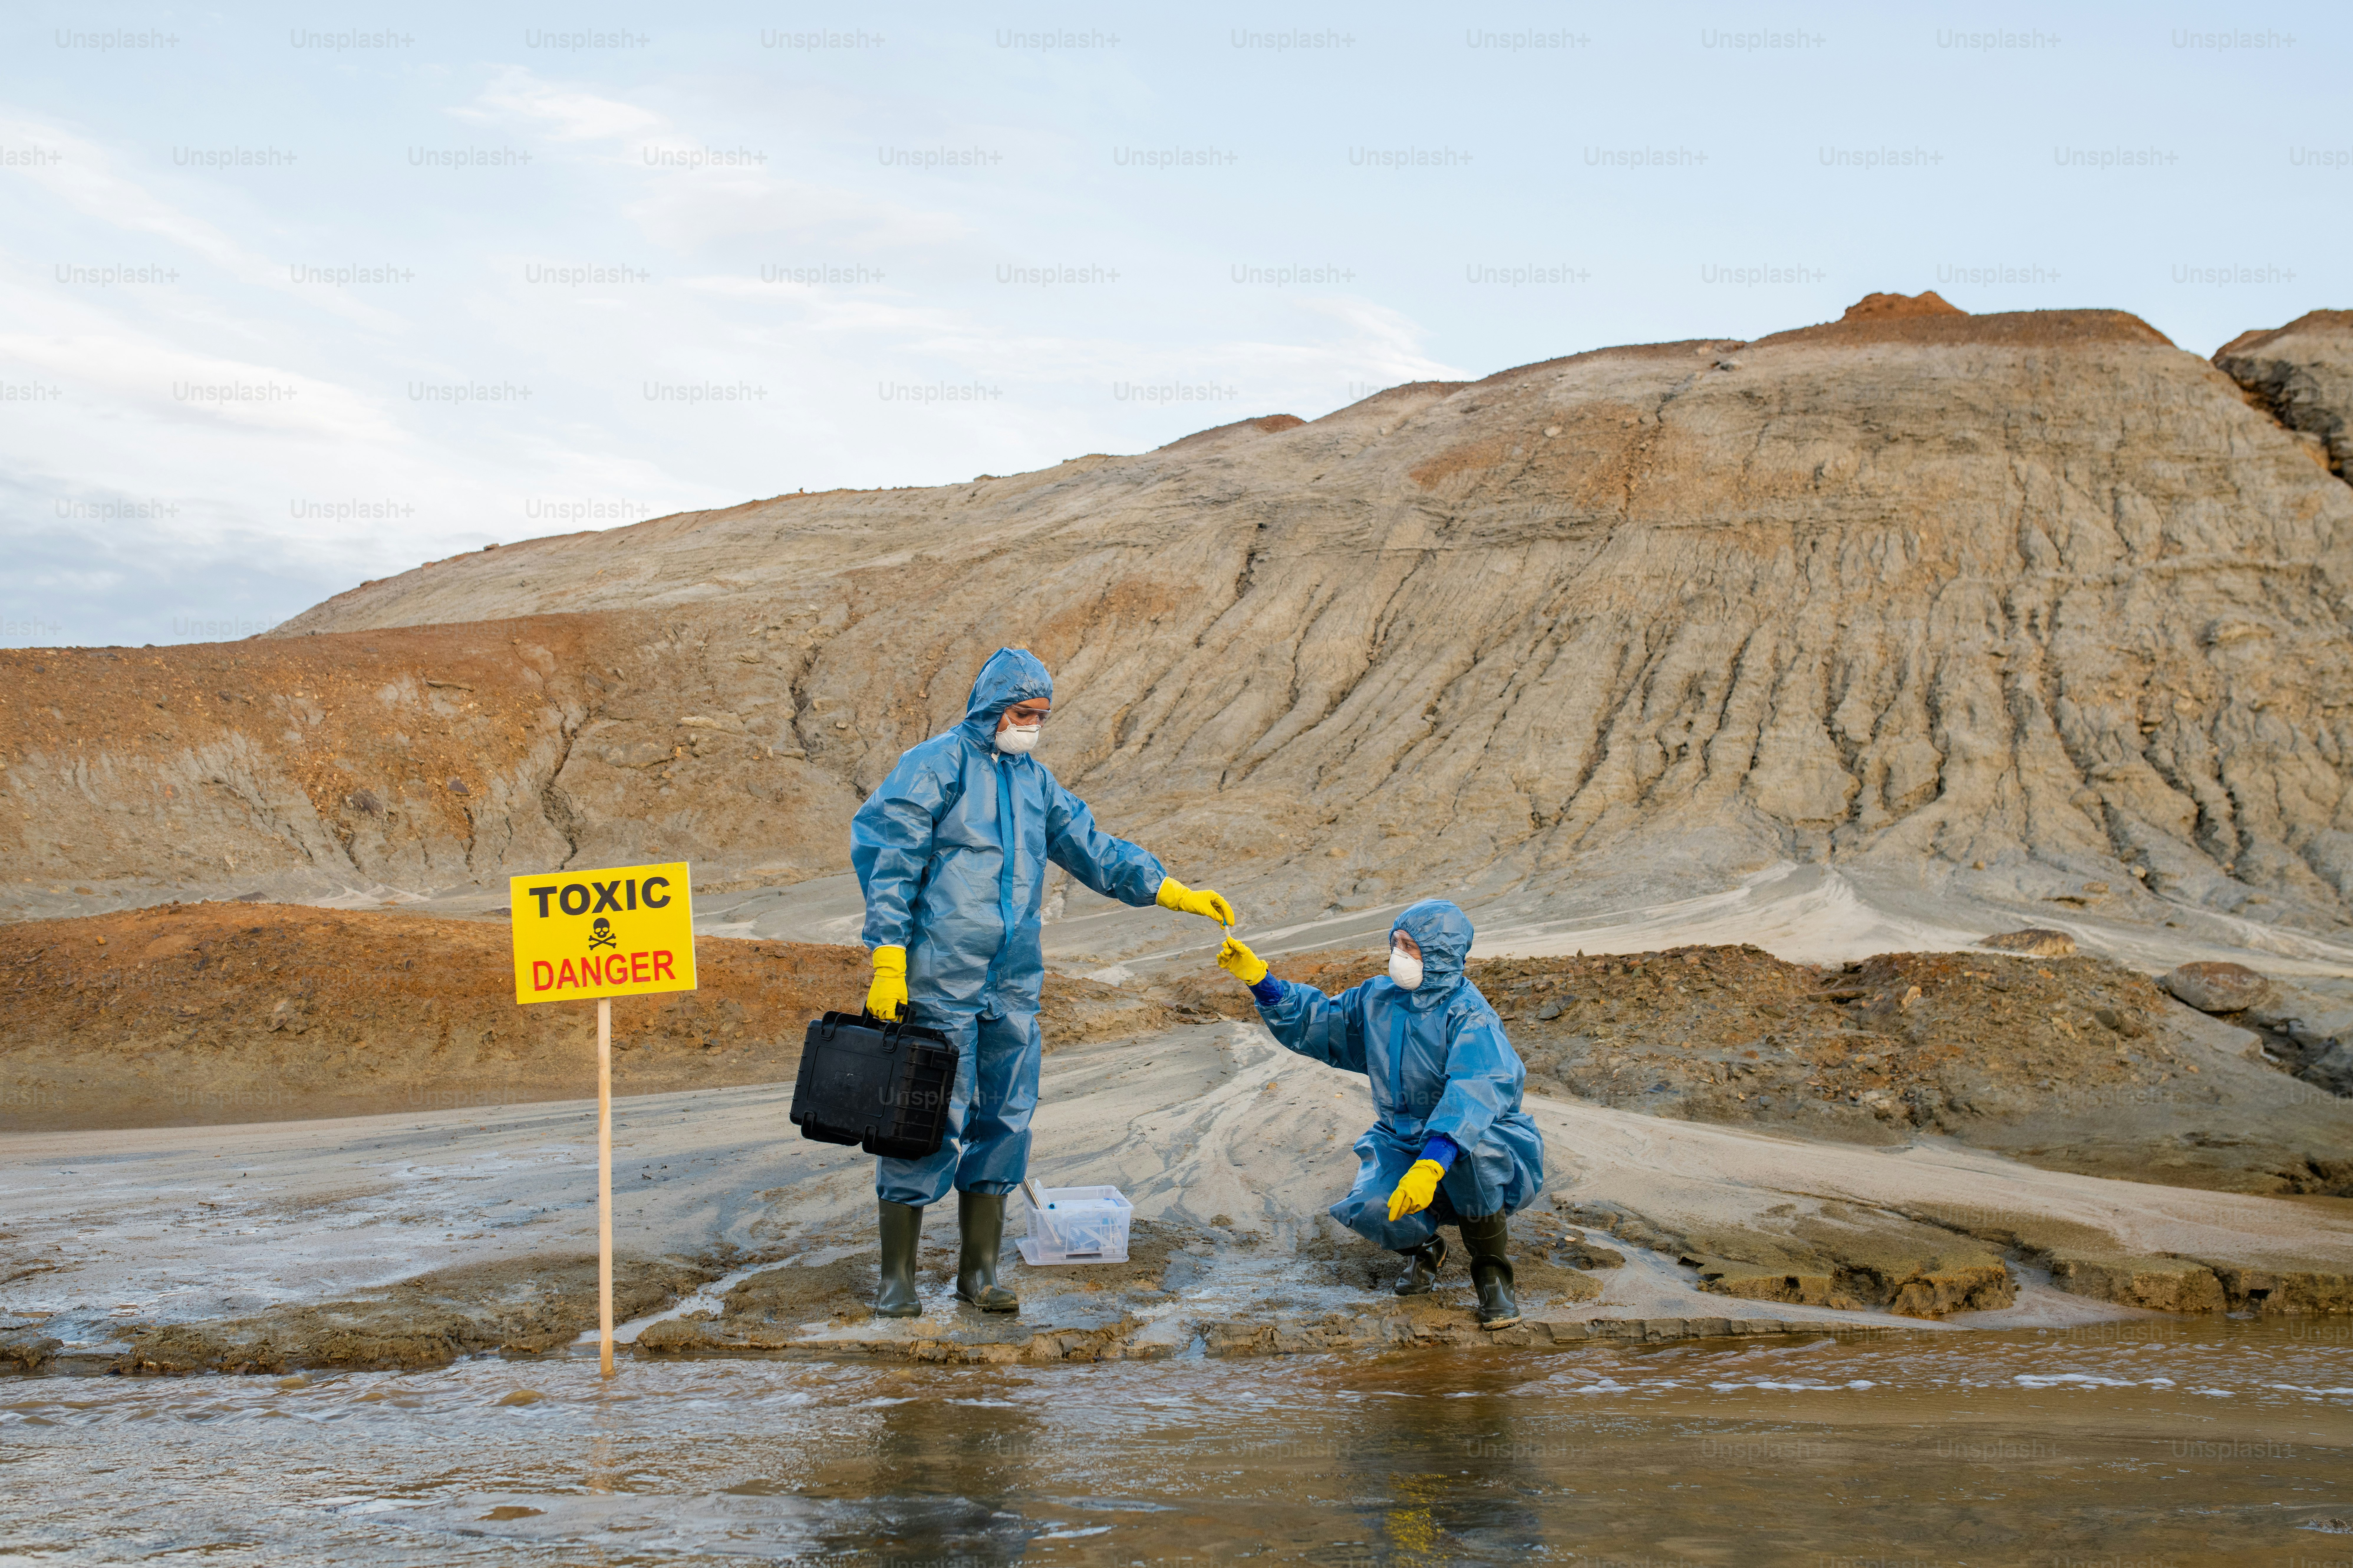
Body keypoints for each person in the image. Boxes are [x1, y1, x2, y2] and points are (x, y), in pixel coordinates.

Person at [851, 647, 1235, 1317]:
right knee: (922, 1116)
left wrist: (1170, 891)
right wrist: (888, 956)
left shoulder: (1035, 783)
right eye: (1022, 713)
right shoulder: (934, 765)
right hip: (939, 973)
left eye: (1040, 716)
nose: (1031, 725)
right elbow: (890, 858)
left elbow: (1094, 848)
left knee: (1005, 1116)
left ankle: (979, 1275)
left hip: (1012, 977)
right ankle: (897, 1282)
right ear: (992, 708)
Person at [1214, 899, 1543, 1327]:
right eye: (1396, 943)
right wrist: (1263, 982)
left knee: (1473, 1162)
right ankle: (1425, 1250)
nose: (1399, 955)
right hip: (1401, 1138)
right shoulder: (1377, 999)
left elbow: (1476, 1088)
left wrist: (1434, 1161)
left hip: (1476, 1137)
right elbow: (1320, 1022)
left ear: (1441, 954)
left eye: (1412, 946)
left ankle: (1493, 1276)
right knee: (1372, 1206)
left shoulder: (1470, 1013)